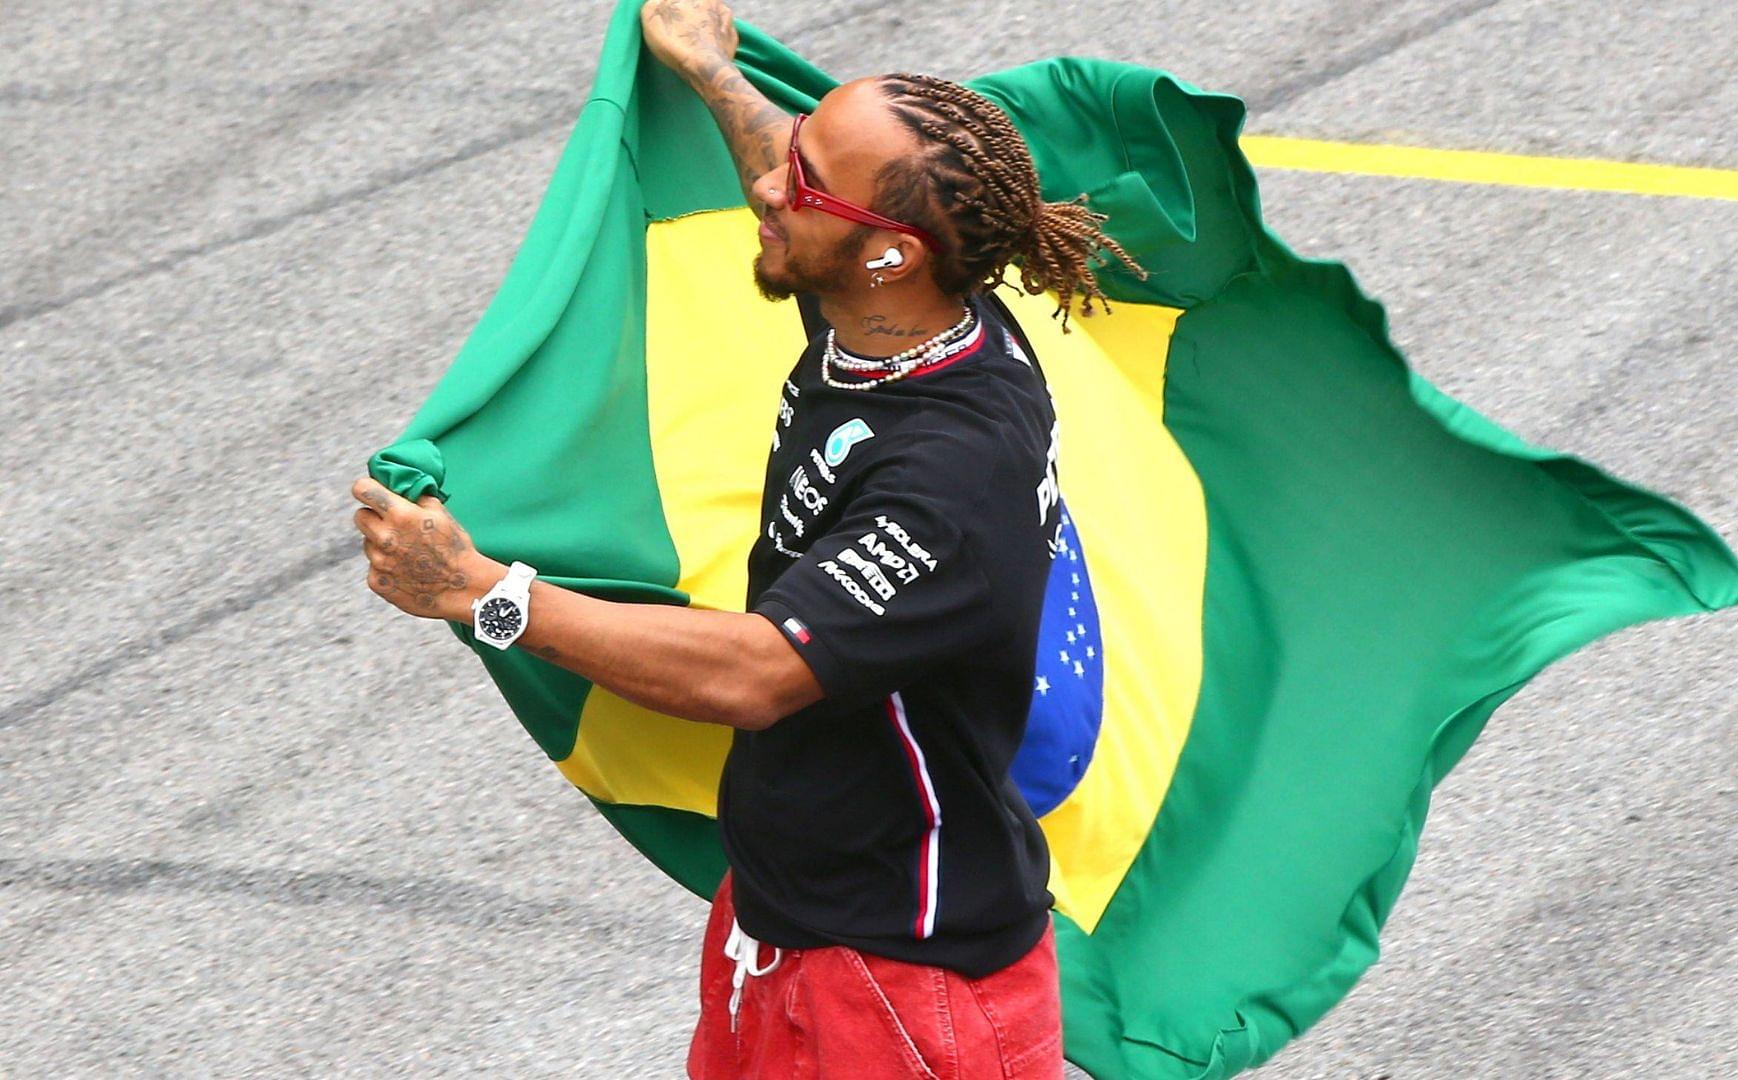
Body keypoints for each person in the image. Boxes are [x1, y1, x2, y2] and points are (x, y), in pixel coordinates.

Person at [350, 0, 1145, 1073]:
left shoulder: (947, 479)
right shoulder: (893, 310)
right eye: (800, 150)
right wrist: (713, 74)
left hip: (908, 986)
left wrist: (482, 592)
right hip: (785, 929)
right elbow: (796, 182)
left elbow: (758, 674)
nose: (773, 187)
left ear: (889, 255)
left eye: (806, 184)